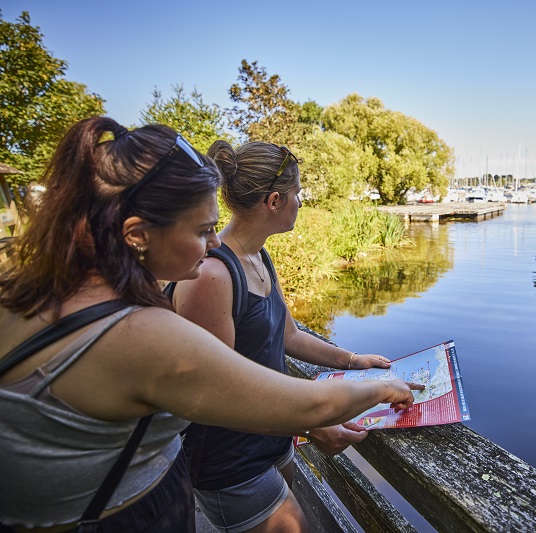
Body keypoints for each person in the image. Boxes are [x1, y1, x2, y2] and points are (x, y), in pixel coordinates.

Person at [0, 117, 422, 533]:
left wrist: (352, 362)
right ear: (137, 235)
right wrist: (382, 388)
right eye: (203, 230)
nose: (215, 242)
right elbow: (301, 405)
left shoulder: (41, 293)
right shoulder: (139, 332)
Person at [169, 139, 390, 533]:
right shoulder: (213, 276)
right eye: (297, 194)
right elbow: (215, 390)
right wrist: (310, 424)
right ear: (274, 201)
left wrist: (353, 360)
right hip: (229, 462)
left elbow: (289, 335)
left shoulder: (259, 257)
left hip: (273, 439)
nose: (300, 202)